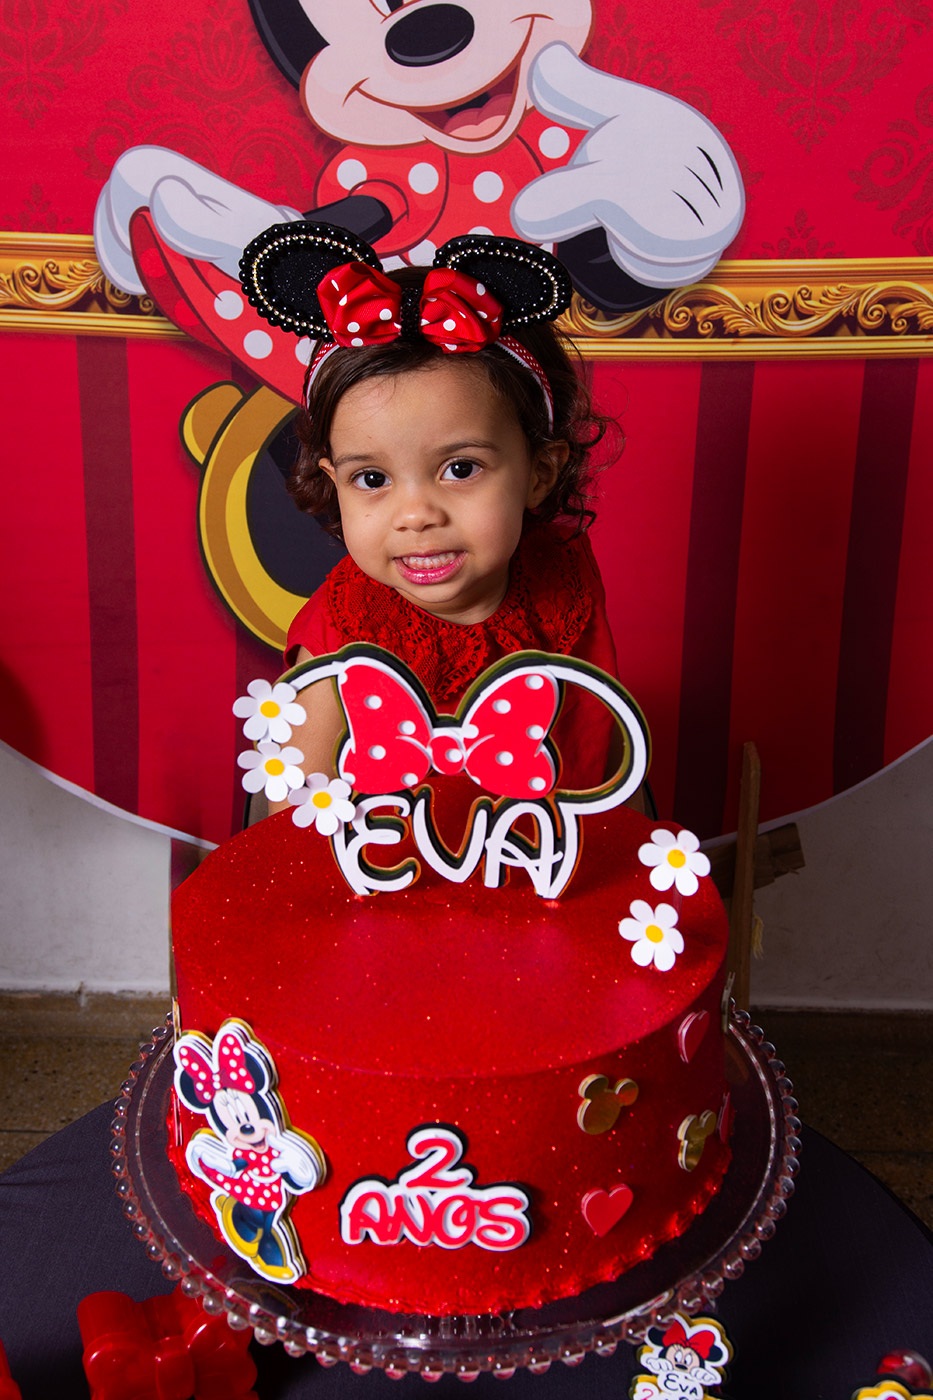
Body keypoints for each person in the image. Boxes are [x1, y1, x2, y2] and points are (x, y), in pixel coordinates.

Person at [237, 224, 633, 806]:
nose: (416, 515)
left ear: (539, 472)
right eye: (372, 479)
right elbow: (293, 825)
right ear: (335, 483)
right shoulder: (337, 643)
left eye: (460, 469)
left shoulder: (565, 583)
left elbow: (597, 758)